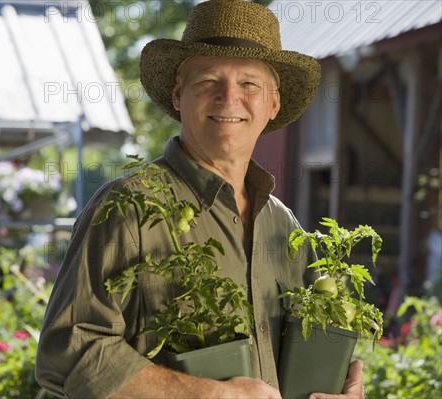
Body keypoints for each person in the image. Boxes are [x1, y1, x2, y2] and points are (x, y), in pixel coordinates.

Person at [36, 1, 364, 398]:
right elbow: (69, 353)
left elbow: (308, 355)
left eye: (249, 85)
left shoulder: (284, 227)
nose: (229, 98)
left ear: (272, 104)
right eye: (208, 80)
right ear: (178, 94)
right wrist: (215, 394)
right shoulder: (129, 209)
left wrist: (341, 389)